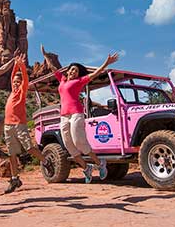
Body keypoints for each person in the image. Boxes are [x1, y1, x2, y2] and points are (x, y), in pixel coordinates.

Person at [41, 45, 119, 183]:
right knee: (69, 147)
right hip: (64, 116)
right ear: (68, 71)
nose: (73, 72)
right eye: (72, 70)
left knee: (79, 142)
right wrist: (45, 56)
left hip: (76, 113)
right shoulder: (62, 80)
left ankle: (100, 164)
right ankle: (86, 168)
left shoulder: (79, 81)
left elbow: (94, 74)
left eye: (76, 71)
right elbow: (53, 68)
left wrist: (106, 63)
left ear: (78, 74)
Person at [3, 53, 48, 193]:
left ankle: (46, 161)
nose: (16, 83)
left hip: (19, 124)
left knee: (29, 148)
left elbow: (25, 79)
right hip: (7, 126)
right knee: (11, 154)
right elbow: (12, 76)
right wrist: (15, 64)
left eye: (18, 82)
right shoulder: (12, 91)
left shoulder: (22, 91)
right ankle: (15, 179)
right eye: (14, 82)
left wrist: (22, 66)